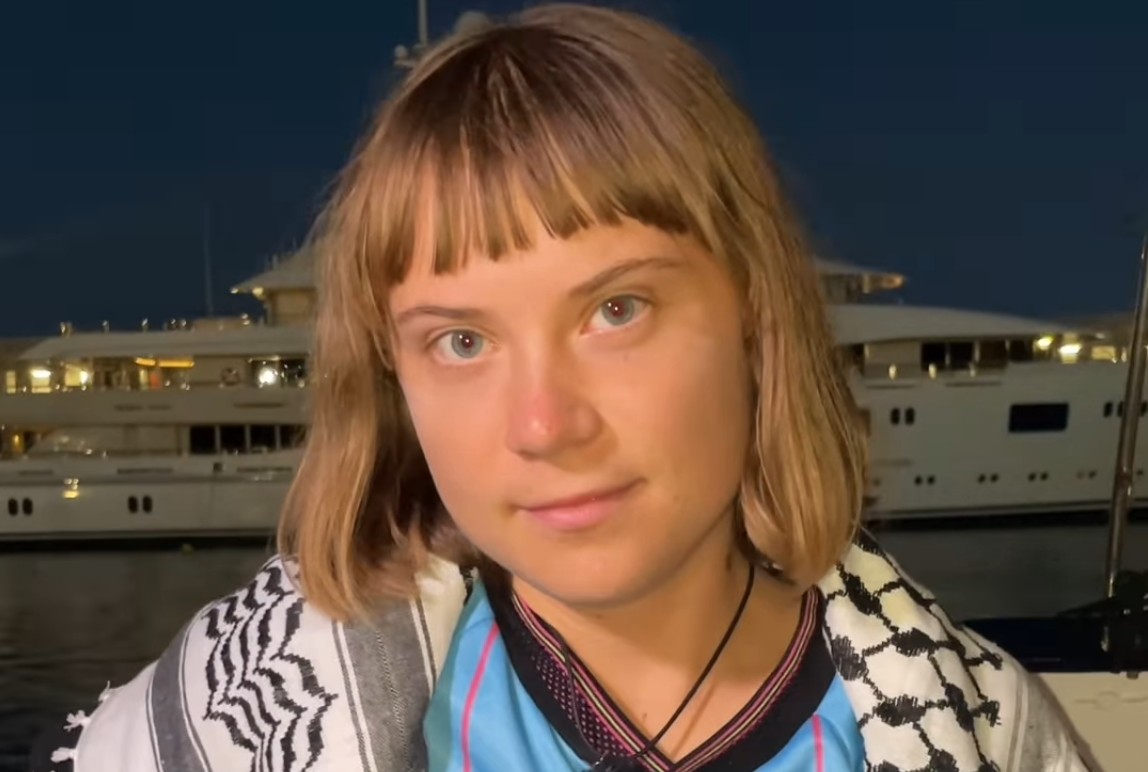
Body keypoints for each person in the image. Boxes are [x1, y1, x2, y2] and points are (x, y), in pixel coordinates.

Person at [42, 4, 1088, 771]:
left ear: (754, 315)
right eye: (461, 340)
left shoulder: (982, 724)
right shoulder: (244, 714)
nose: (543, 425)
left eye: (616, 310)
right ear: (392, 377)